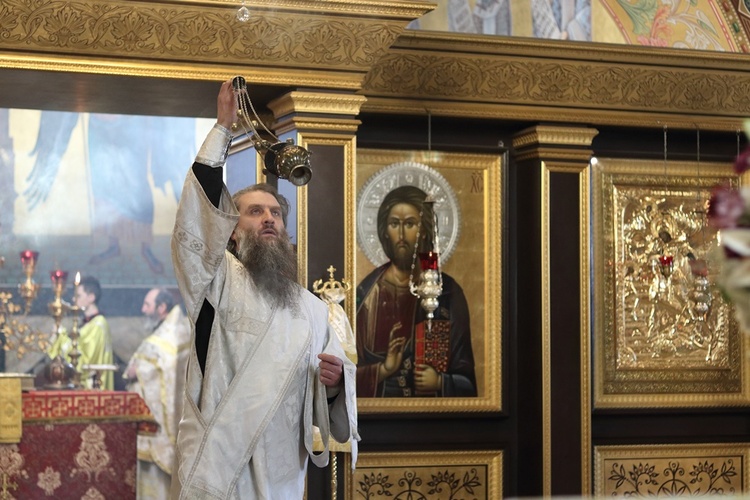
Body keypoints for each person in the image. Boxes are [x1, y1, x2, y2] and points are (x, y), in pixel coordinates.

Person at [169, 79, 359, 499]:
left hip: (281, 476)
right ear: (231, 231)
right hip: (220, 473)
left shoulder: (314, 310)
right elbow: (196, 222)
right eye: (255, 212)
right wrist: (223, 129)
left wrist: (331, 387)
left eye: (276, 213)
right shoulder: (215, 281)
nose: (269, 219)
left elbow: (329, 408)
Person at [356, 185, 477, 397]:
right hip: (378, 412)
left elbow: (469, 382)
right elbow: (345, 373)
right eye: (394, 224)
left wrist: (441, 381)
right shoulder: (367, 293)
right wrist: (383, 370)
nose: (401, 235)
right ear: (384, 230)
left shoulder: (447, 293)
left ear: (425, 230)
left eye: (410, 224)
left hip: (431, 412)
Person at [124, 288, 190, 500]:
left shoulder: (173, 333)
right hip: (153, 424)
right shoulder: (171, 330)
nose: (143, 310)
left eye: (147, 305)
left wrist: (139, 371)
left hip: (160, 430)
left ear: (162, 308)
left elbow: (168, 366)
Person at [47, 275, 114, 390]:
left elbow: (85, 362)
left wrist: (61, 336)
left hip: (92, 387)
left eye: (78, 296)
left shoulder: (98, 325)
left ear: (91, 297)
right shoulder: (88, 324)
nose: (74, 299)